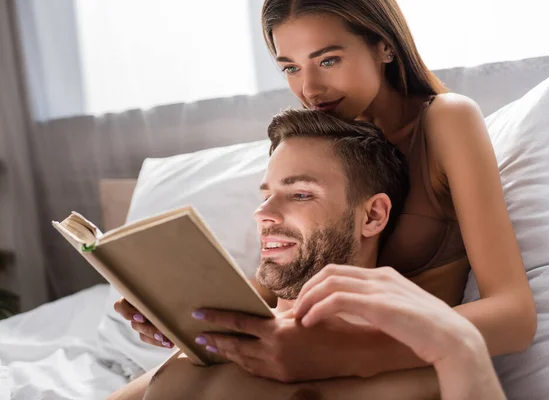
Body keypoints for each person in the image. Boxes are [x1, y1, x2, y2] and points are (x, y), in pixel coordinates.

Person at [109, 109, 506, 400]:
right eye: (266, 195)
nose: (262, 214)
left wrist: (458, 345)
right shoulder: (218, 342)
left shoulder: (409, 367)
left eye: (300, 194)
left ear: (372, 215)